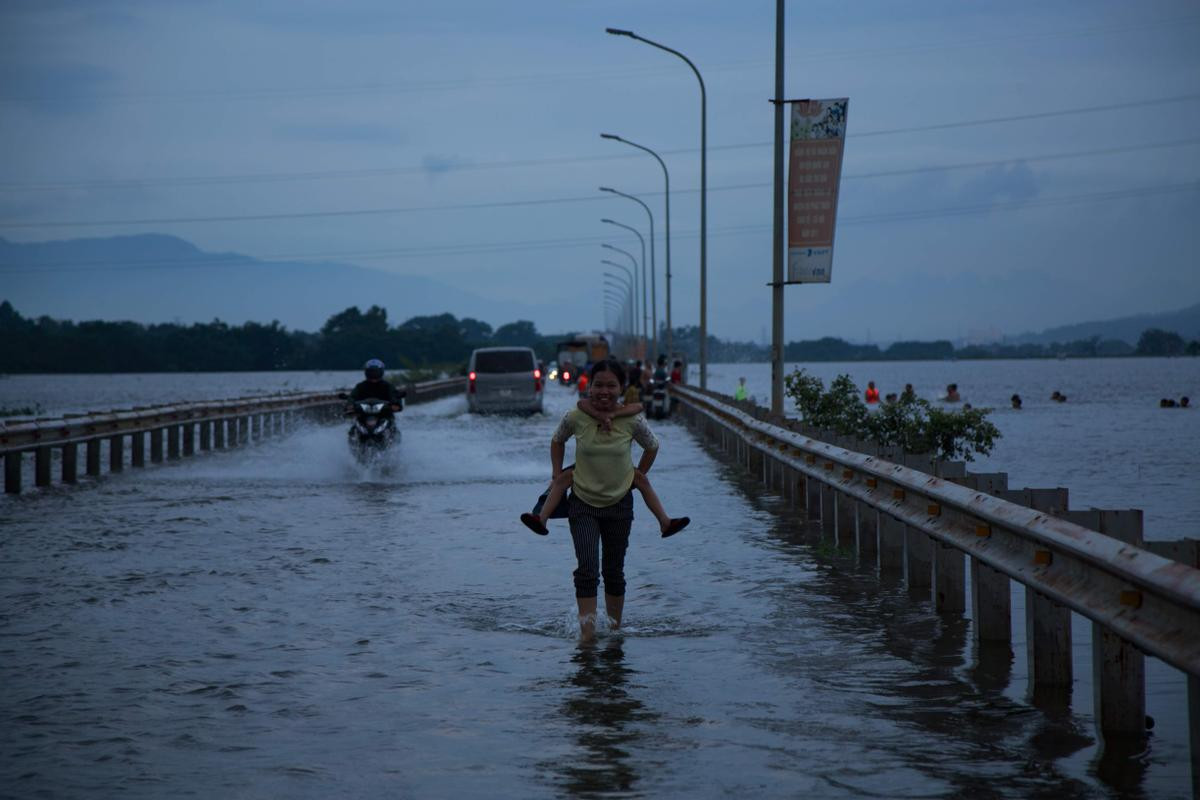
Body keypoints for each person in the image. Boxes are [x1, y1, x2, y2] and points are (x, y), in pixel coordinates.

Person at [527, 359, 688, 642]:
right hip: (583, 504)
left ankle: (615, 633)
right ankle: (586, 637)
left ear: (622, 387)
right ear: (590, 387)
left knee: (614, 571)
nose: (604, 391)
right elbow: (557, 440)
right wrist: (556, 473)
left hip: (619, 506)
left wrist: (637, 474)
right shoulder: (576, 417)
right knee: (587, 569)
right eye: (598, 385)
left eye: (611, 385)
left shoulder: (632, 420)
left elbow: (652, 446)